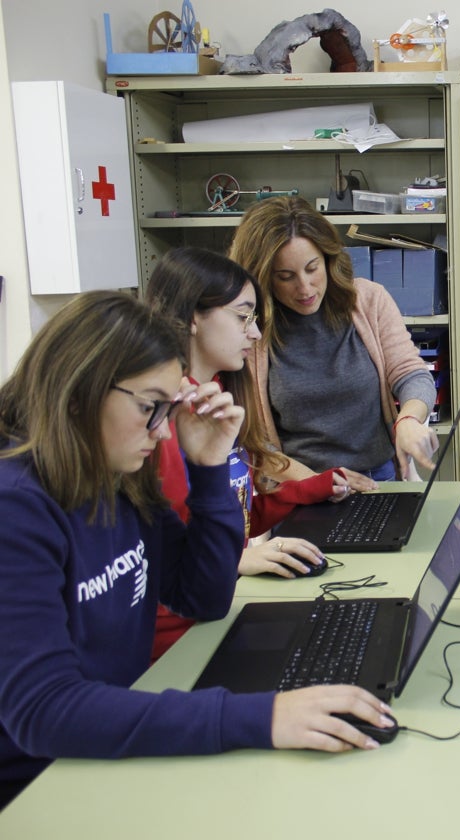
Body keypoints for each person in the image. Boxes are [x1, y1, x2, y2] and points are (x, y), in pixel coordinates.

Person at [0, 292, 395, 811]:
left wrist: (209, 465)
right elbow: (43, 710)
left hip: (111, 744)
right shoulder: (16, 507)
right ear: (79, 393)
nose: (162, 430)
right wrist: (259, 717)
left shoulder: (119, 475)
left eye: (167, 408)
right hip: (41, 788)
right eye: (149, 407)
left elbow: (203, 597)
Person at [144, 247, 354, 658]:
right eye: (243, 317)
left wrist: (313, 488)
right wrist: (240, 557)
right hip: (177, 641)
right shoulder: (160, 423)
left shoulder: (217, 397)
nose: (255, 333)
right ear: (191, 317)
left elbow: (232, 514)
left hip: (215, 610)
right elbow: (166, 550)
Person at [228, 196, 437, 486]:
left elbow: (411, 374)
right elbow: (255, 443)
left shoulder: (368, 300)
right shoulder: (251, 331)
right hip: (298, 489)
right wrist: (320, 485)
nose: (304, 288)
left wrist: (409, 420)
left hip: (377, 478)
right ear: (263, 279)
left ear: (328, 259)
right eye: (286, 277)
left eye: (312, 268)